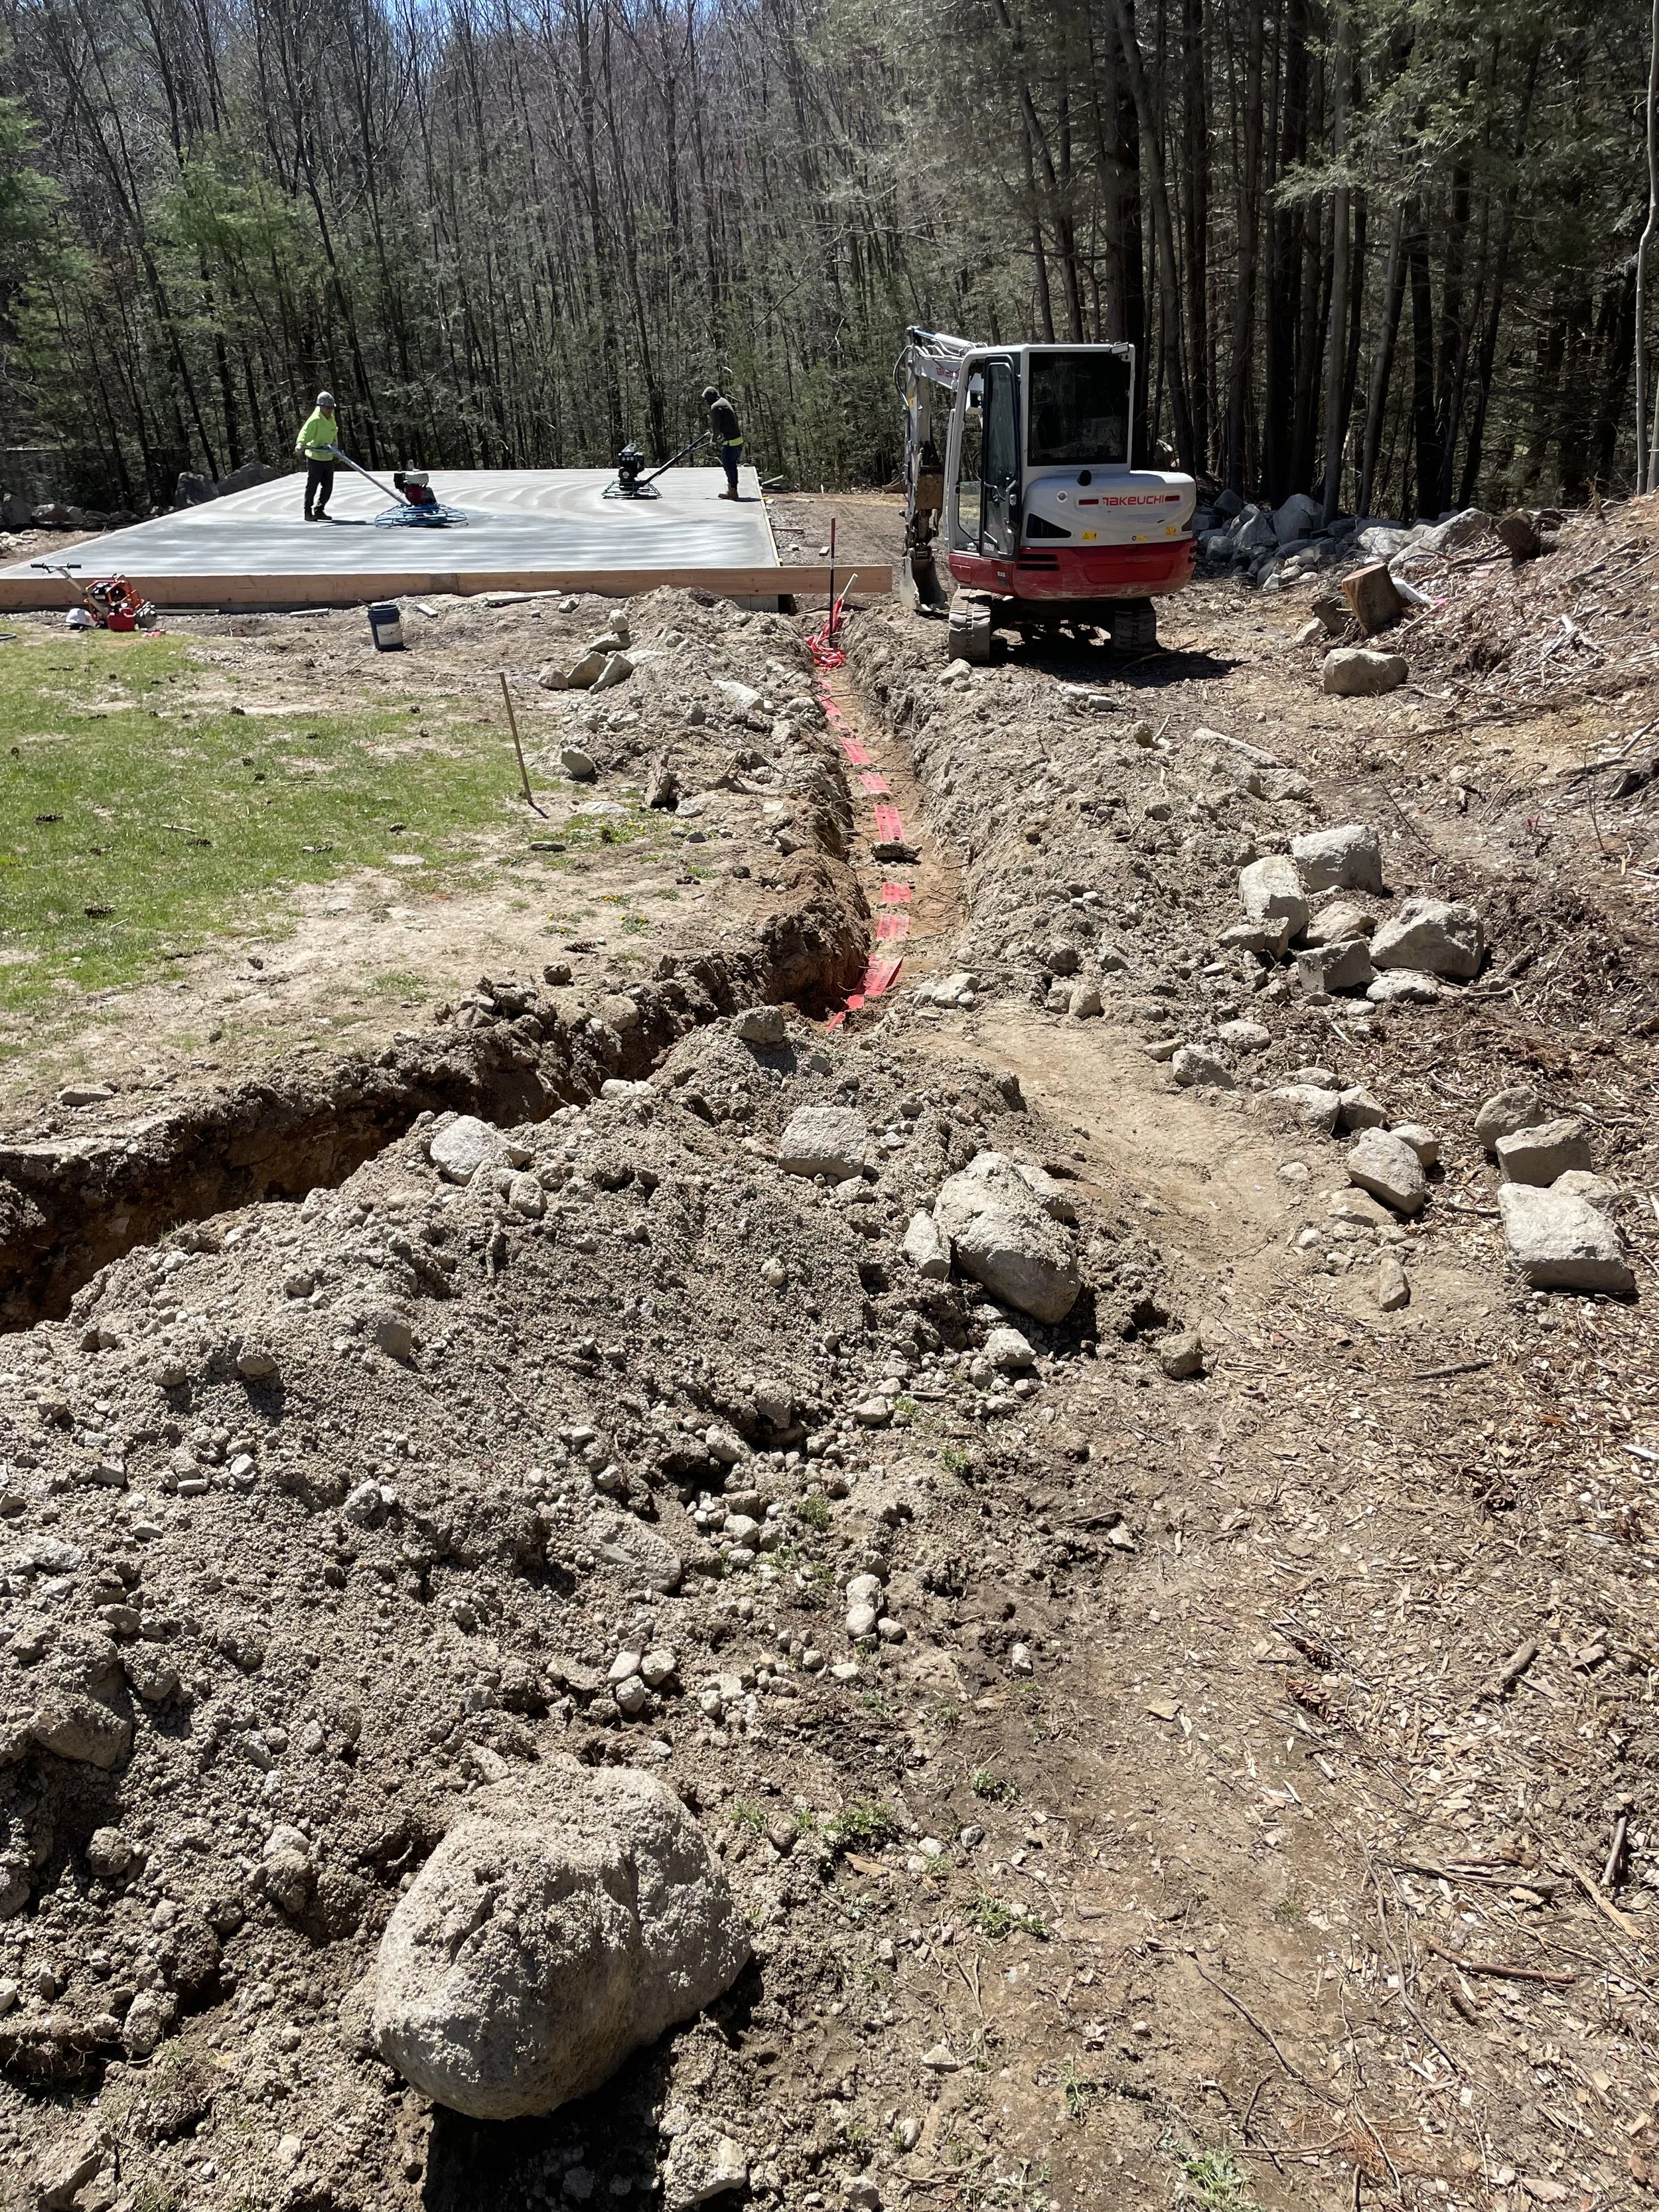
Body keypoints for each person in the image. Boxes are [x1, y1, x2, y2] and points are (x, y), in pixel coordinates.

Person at [295, 390, 339, 520]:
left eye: (331, 408)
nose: (330, 410)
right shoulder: (315, 420)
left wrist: (335, 443)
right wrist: (301, 444)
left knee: (328, 487)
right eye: (327, 408)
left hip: (327, 457)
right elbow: (305, 433)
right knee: (312, 486)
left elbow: (334, 432)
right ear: (321, 407)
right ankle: (308, 511)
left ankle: (320, 510)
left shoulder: (331, 419)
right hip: (315, 458)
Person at [702, 384, 743, 500]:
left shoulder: (716, 407)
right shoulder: (723, 401)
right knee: (731, 466)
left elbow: (716, 427)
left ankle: (733, 491)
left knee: (729, 466)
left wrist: (714, 440)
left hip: (731, 442)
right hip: (736, 439)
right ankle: (732, 489)